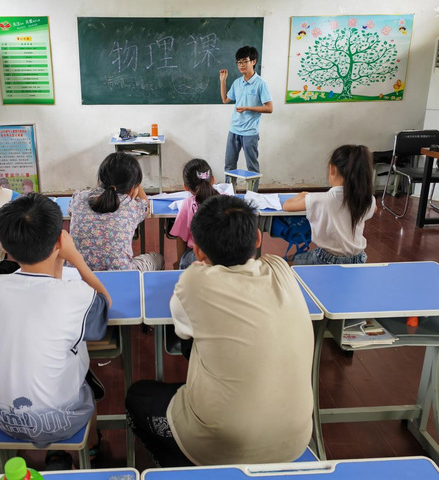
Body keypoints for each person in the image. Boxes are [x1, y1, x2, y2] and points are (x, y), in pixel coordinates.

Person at [126, 195, 314, 467]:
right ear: (257, 239)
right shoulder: (280, 269)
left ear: (198, 252)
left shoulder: (194, 281)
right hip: (296, 439)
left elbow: (182, 328)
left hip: (223, 443)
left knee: (138, 396)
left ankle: (182, 467)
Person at [0, 193, 111, 468]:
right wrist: (75, 257)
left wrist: (58, 261)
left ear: (5, 247)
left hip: (1, 416)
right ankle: (92, 449)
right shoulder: (75, 295)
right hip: (58, 423)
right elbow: (104, 302)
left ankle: (58, 455)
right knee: (86, 379)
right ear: (60, 241)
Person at [69, 152, 164, 271]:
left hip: (78, 273)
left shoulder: (79, 198)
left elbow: (71, 213)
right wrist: (136, 185)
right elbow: (147, 206)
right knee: (158, 258)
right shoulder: (133, 206)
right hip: (122, 274)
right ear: (133, 187)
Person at [282, 144, 376, 264]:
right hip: (358, 259)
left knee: (283, 264)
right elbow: (374, 209)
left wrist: (302, 195)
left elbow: (287, 205)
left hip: (326, 259)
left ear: (332, 169)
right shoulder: (367, 200)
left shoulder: (320, 199)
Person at [219, 45, 273, 192]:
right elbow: (225, 99)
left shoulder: (261, 84)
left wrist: (248, 108)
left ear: (253, 61)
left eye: (245, 61)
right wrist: (223, 81)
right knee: (229, 165)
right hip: (234, 129)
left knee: (252, 167)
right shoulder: (237, 82)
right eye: (239, 62)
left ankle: (253, 195)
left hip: (250, 132)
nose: (241, 65)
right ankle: (229, 194)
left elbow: (269, 108)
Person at [170, 159, 219, 269]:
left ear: (186, 187)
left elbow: (181, 238)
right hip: (223, 256)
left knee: (186, 262)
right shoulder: (227, 200)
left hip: (196, 257)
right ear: (213, 180)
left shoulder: (187, 204)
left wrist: (179, 262)